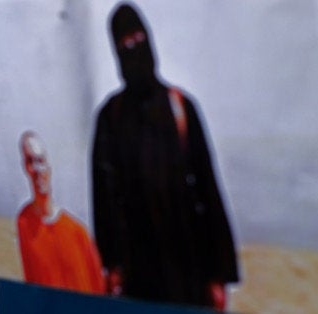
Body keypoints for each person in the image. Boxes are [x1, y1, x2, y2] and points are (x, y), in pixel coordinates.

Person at [92, 3, 239, 310]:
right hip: (138, 273)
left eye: (137, 38)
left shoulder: (181, 107)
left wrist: (220, 275)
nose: (133, 49)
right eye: (124, 44)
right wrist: (112, 265)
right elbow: (104, 196)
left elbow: (208, 190)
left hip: (190, 268)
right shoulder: (111, 116)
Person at [16, 130, 105, 294]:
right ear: (25, 167)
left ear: (49, 166)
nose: (37, 169)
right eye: (30, 161)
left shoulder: (78, 233)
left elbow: (99, 290)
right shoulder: (24, 221)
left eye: (40, 160)